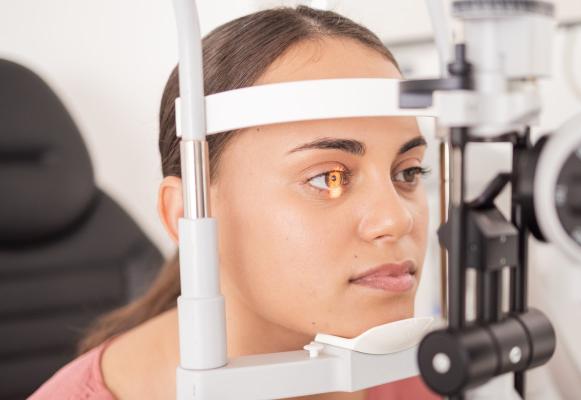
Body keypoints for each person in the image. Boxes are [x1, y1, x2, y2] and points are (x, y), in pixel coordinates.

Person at [31, 6, 437, 399]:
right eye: (327, 178)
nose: (396, 219)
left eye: (408, 173)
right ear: (189, 214)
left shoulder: (411, 372)